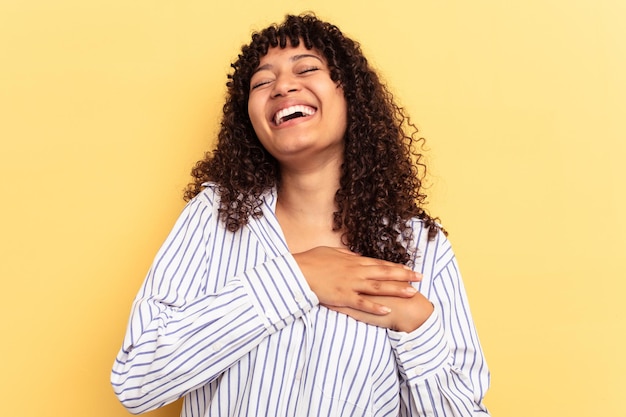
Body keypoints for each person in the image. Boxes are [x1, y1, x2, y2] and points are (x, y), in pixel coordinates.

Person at [111, 13, 490, 417]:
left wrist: (416, 325)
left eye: (307, 68)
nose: (283, 86)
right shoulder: (213, 217)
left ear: (351, 96)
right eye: (262, 82)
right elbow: (136, 380)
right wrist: (298, 277)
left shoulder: (421, 248)